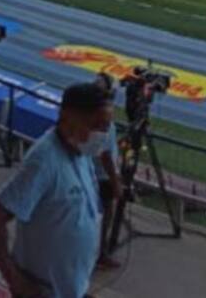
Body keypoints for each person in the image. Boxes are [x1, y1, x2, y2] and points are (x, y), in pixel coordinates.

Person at [0, 81, 112, 298]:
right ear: (69, 117)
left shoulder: (82, 153)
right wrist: (16, 281)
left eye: (107, 127)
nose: (104, 135)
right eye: (97, 126)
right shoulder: (43, 161)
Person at [93, 72, 123, 270]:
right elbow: (103, 153)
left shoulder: (91, 112)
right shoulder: (102, 116)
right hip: (102, 176)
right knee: (105, 216)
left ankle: (97, 251)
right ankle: (100, 253)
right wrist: (116, 181)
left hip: (94, 173)